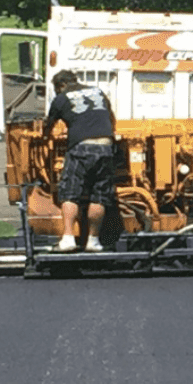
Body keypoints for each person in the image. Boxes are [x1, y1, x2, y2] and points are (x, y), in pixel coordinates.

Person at [42, 67, 117, 251]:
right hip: (106, 146)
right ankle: (93, 241)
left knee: (70, 193)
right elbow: (110, 117)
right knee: (99, 196)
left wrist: (47, 136)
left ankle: (68, 238)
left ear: (61, 85)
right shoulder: (98, 92)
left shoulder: (61, 98)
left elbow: (48, 125)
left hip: (82, 147)